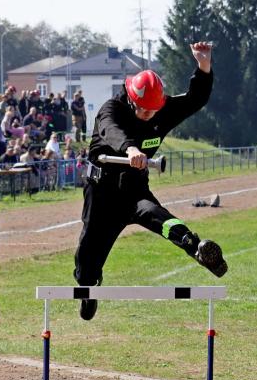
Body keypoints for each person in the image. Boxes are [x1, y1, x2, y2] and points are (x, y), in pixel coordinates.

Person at [74, 41, 227, 320]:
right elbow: (111, 130)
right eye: (143, 110)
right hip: (102, 194)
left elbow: (195, 99)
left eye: (152, 111)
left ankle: (196, 248)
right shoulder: (111, 109)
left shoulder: (161, 108)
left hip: (134, 190)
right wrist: (131, 149)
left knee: (159, 217)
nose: (148, 116)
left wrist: (204, 67)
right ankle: (89, 287)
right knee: (87, 260)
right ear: (131, 99)